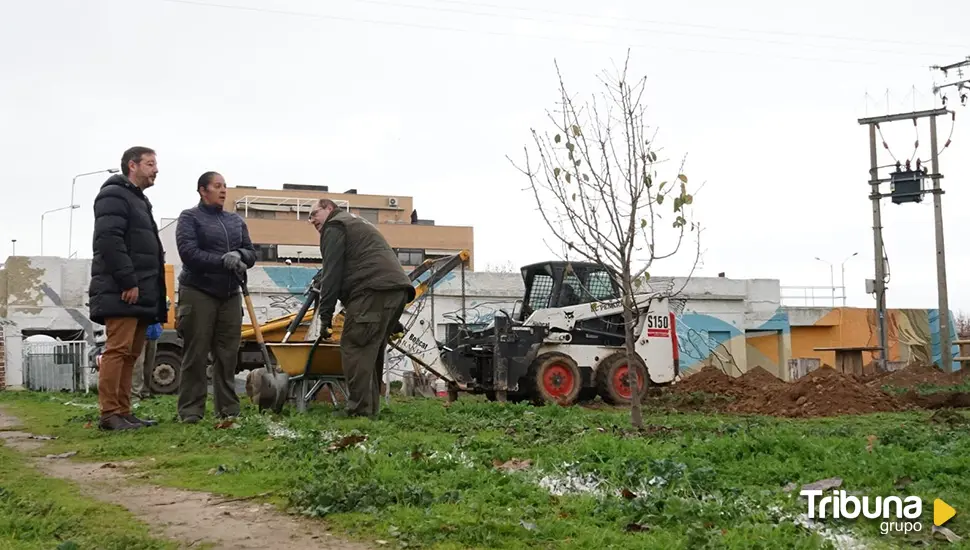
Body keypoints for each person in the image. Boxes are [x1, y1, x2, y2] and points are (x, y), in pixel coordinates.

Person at [308, 198, 415, 418]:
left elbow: (332, 273)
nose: (311, 221)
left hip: (372, 290)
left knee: (355, 346)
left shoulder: (335, 225)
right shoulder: (357, 223)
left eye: (313, 214)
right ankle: (370, 411)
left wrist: (325, 317)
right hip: (396, 289)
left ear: (328, 208)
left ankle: (359, 412)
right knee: (370, 350)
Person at [88, 146, 166, 431]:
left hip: (141, 290)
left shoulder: (138, 200)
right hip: (122, 289)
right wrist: (128, 281)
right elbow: (109, 240)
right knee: (117, 350)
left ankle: (123, 410)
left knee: (131, 353)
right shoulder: (114, 194)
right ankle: (109, 413)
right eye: (150, 164)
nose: (156, 169)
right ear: (132, 166)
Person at [175, 171, 256, 423]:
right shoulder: (190, 218)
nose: (223, 191)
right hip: (198, 291)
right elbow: (189, 254)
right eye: (217, 186)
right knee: (196, 354)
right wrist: (223, 261)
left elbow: (251, 253)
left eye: (225, 186)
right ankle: (190, 410)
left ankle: (228, 409)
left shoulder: (235, 221)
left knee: (228, 355)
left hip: (230, 295)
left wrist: (241, 255)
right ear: (202, 190)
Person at [132, 322, 162, 399]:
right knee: (138, 364)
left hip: (153, 332)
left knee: (149, 364)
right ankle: (135, 393)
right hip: (140, 330)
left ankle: (145, 392)